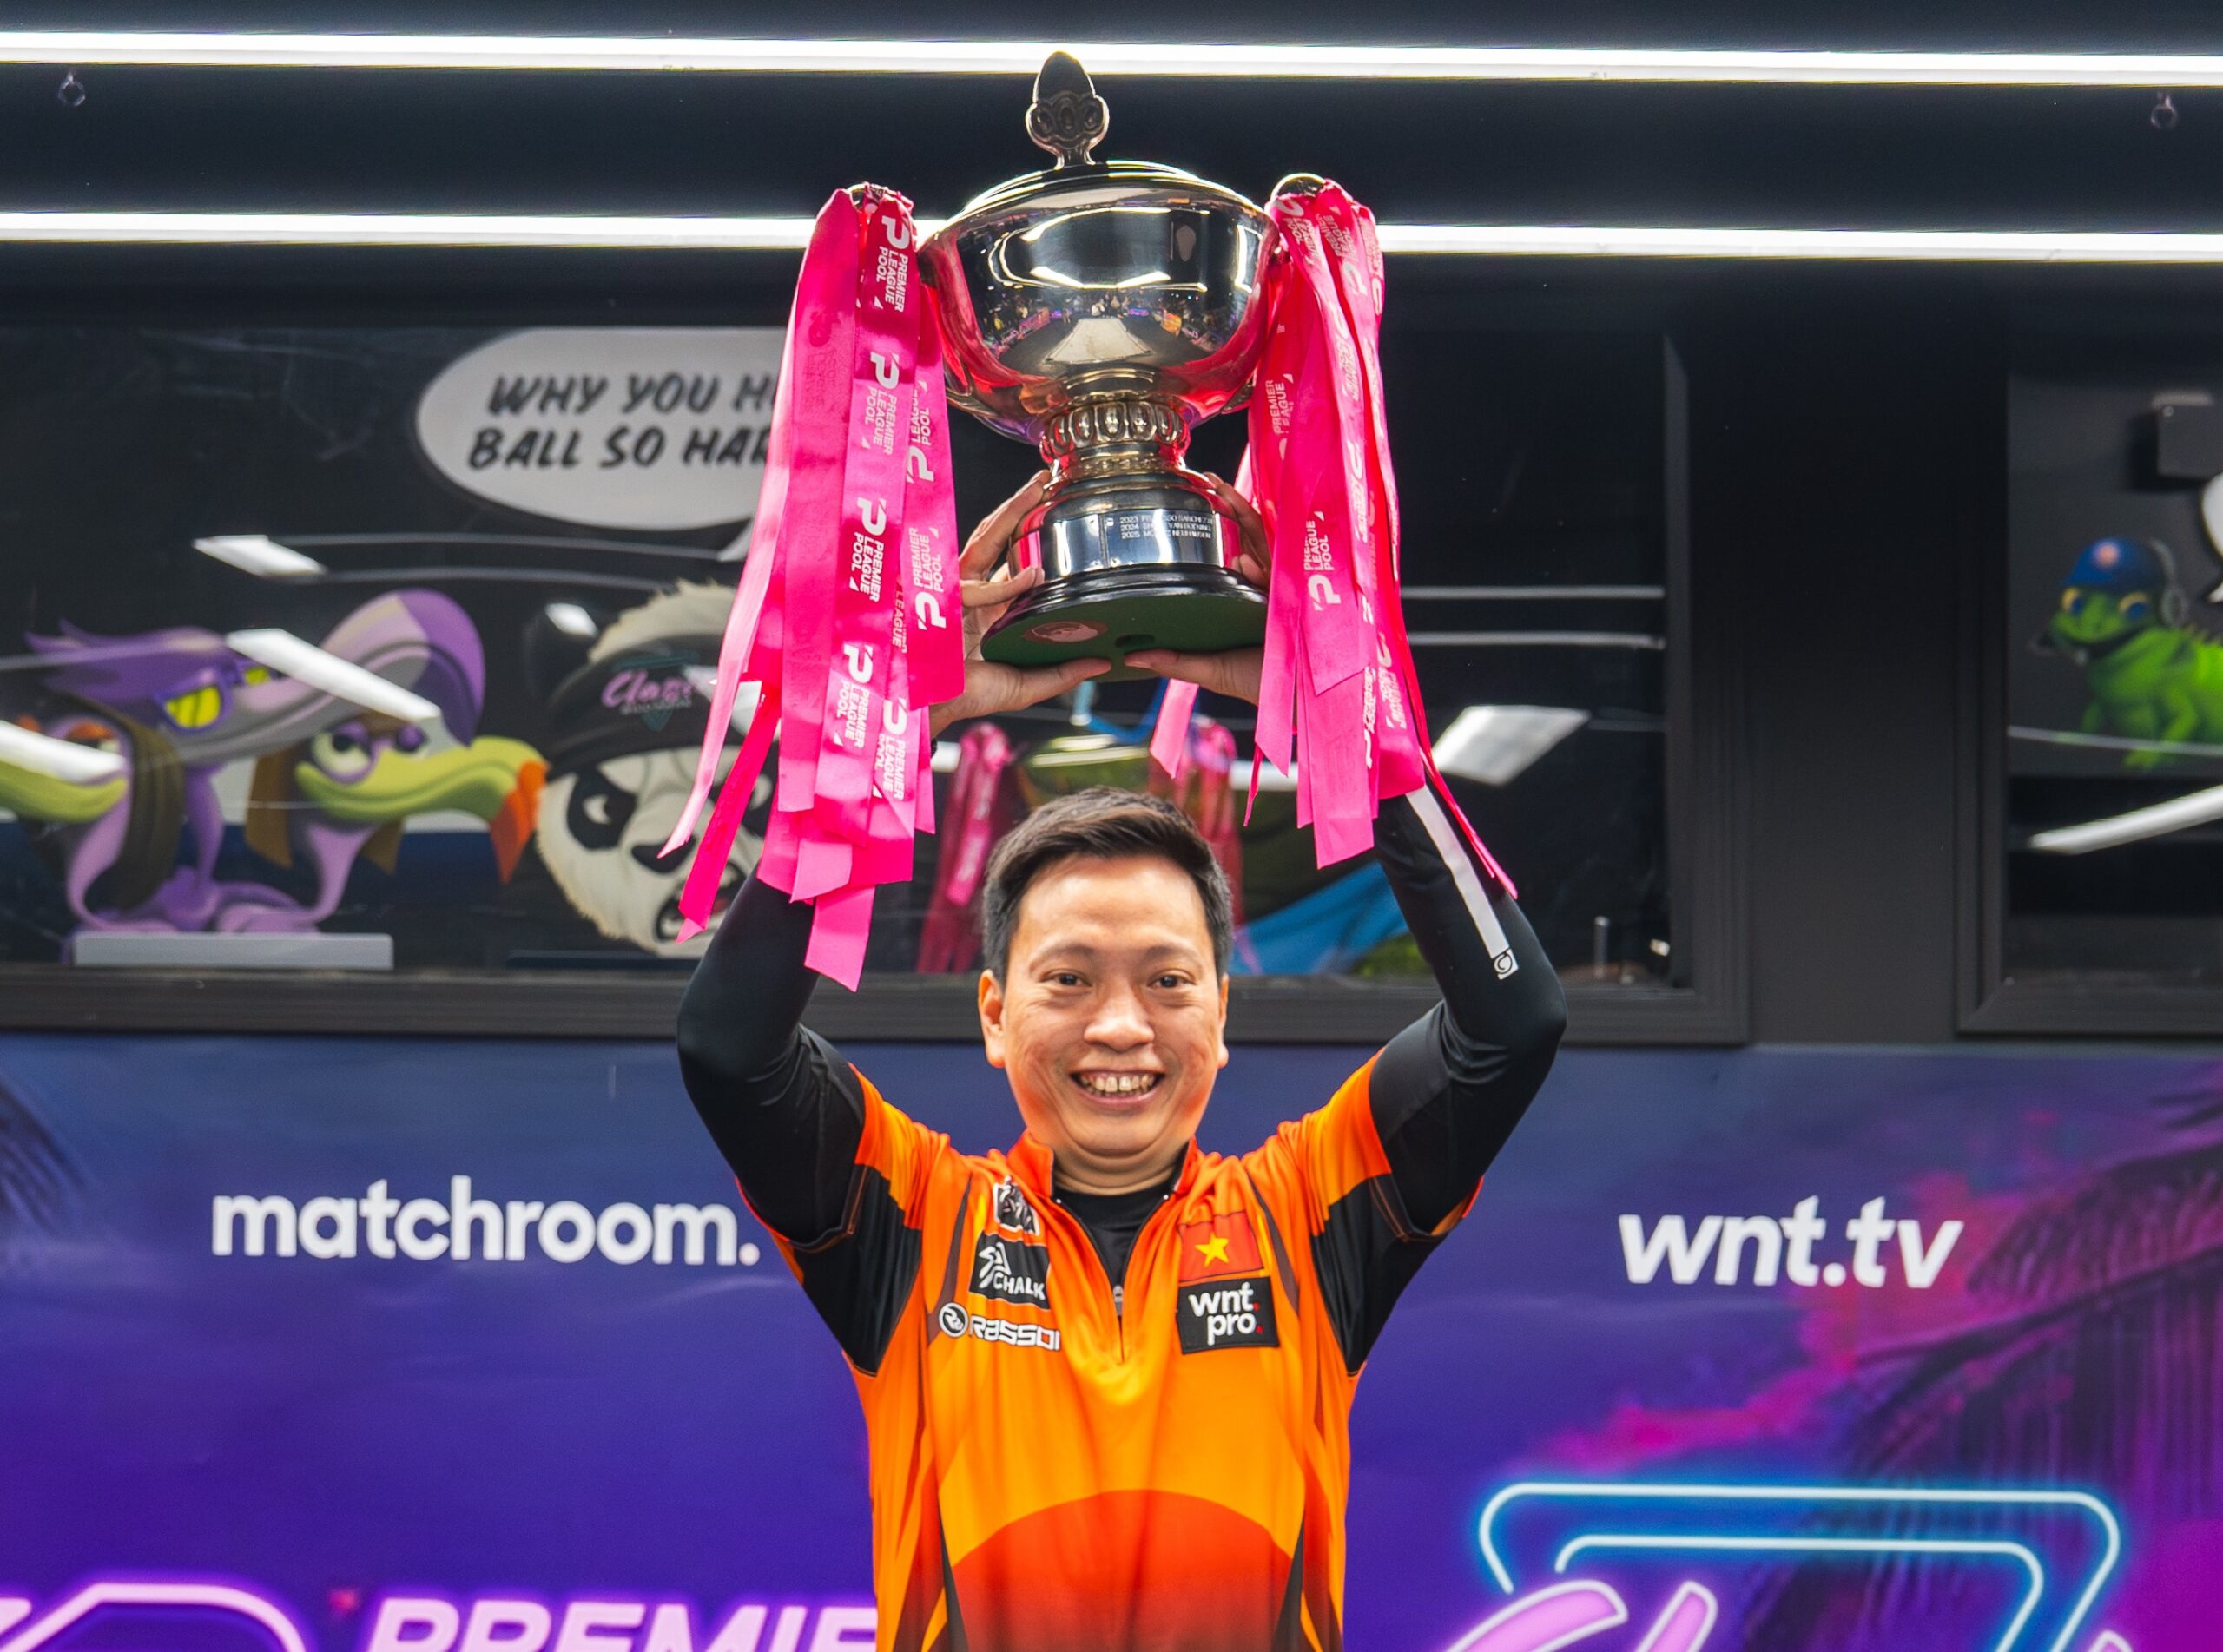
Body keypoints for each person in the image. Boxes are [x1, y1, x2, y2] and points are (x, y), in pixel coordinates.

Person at [676, 471, 1567, 1652]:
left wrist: (1352, 722)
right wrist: (891, 728)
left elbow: (1512, 1022)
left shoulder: (1309, 1214)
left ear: (1221, 1012)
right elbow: (729, 1047)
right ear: (994, 1015)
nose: (1120, 1027)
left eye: (1167, 980)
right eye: (1068, 979)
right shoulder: (913, 1220)